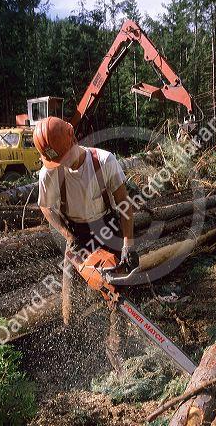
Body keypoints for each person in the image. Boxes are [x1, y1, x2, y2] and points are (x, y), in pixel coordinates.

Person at [33, 116, 139, 328]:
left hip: (107, 226)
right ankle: (71, 329)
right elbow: (45, 207)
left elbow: (125, 205)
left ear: (73, 138)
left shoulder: (104, 161)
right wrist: (68, 236)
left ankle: (118, 337)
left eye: (62, 157)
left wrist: (128, 245)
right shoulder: (49, 173)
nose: (60, 164)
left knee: (118, 289)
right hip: (77, 233)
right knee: (70, 294)